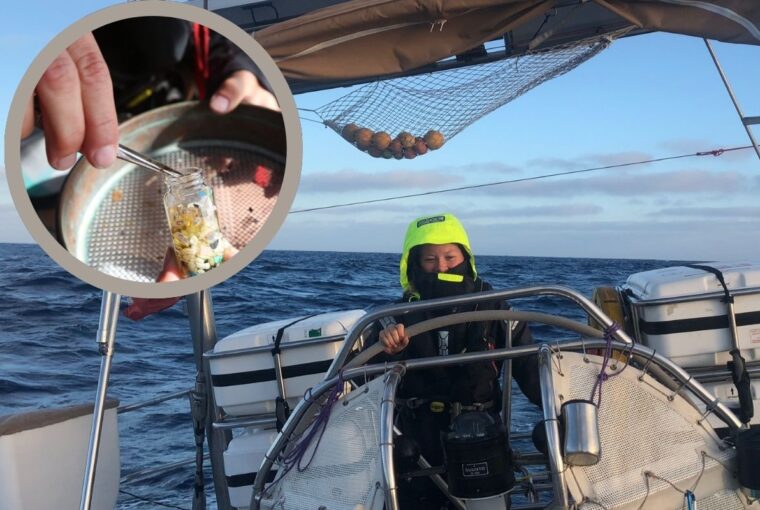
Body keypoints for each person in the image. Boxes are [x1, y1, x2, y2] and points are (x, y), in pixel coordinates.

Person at [377, 212, 539, 508]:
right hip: (415, 444)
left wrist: (573, 407)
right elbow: (365, 384)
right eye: (430, 259)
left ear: (466, 257)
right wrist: (390, 347)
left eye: (450, 257)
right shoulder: (393, 318)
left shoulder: (495, 310)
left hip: (481, 438)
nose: (441, 266)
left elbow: (532, 372)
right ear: (413, 264)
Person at [21, 17, 279, 171]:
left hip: (174, 103)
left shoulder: (176, 32)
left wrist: (243, 75)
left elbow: (206, 36)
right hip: (53, 115)